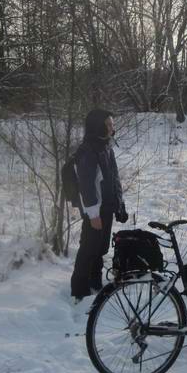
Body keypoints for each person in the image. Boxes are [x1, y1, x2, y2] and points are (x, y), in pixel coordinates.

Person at [70, 109, 127, 303]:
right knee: (88, 248)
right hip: (95, 209)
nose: (113, 128)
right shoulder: (88, 150)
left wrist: (120, 204)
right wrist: (93, 214)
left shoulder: (106, 147)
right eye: (109, 124)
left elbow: (114, 177)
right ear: (98, 126)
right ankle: (79, 290)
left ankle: (95, 281)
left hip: (107, 207)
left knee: (101, 247)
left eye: (112, 124)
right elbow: (87, 185)